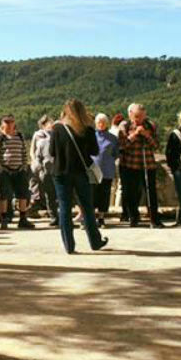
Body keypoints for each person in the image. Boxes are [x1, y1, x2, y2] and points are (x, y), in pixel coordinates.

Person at [50, 99, 108, 254]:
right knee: (87, 207)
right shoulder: (87, 129)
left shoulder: (57, 129)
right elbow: (95, 151)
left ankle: (69, 245)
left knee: (64, 208)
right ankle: (95, 241)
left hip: (61, 172)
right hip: (81, 172)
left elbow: (52, 152)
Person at [119, 103, 164, 227]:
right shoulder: (124, 126)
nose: (140, 119)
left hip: (148, 164)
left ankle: (154, 219)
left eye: (142, 116)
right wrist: (134, 135)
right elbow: (122, 145)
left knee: (151, 192)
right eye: (137, 116)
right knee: (131, 193)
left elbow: (156, 146)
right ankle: (133, 218)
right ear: (130, 114)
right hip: (131, 164)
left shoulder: (150, 126)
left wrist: (146, 135)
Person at [0, 115, 35, 229]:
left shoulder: (19, 136)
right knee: (4, 195)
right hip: (5, 170)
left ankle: (23, 219)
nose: (9, 124)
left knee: (23, 194)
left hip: (20, 170)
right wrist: (0, 169)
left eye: (11, 122)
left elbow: (24, 152)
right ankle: (4, 218)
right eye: (7, 122)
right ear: (2, 124)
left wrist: (24, 166)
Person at [30, 115, 58, 226]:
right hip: (44, 168)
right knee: (49, 193)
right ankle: (53, 216)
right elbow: (33, 151)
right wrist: (36, 165)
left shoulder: (56, 135)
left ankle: (59, 216)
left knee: (56, 194)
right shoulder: (38, 136)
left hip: (56, 168)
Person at [93, 114, 120, 228]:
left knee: (104, 195)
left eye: (103, 122)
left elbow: (116, 153)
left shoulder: (113, 138)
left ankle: (101, 218)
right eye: (99, 122)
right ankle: (91, 219)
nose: (101, 124)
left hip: (107, 170)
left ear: (107, 123)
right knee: (93, 194)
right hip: (93, 170)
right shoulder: (92, 137)